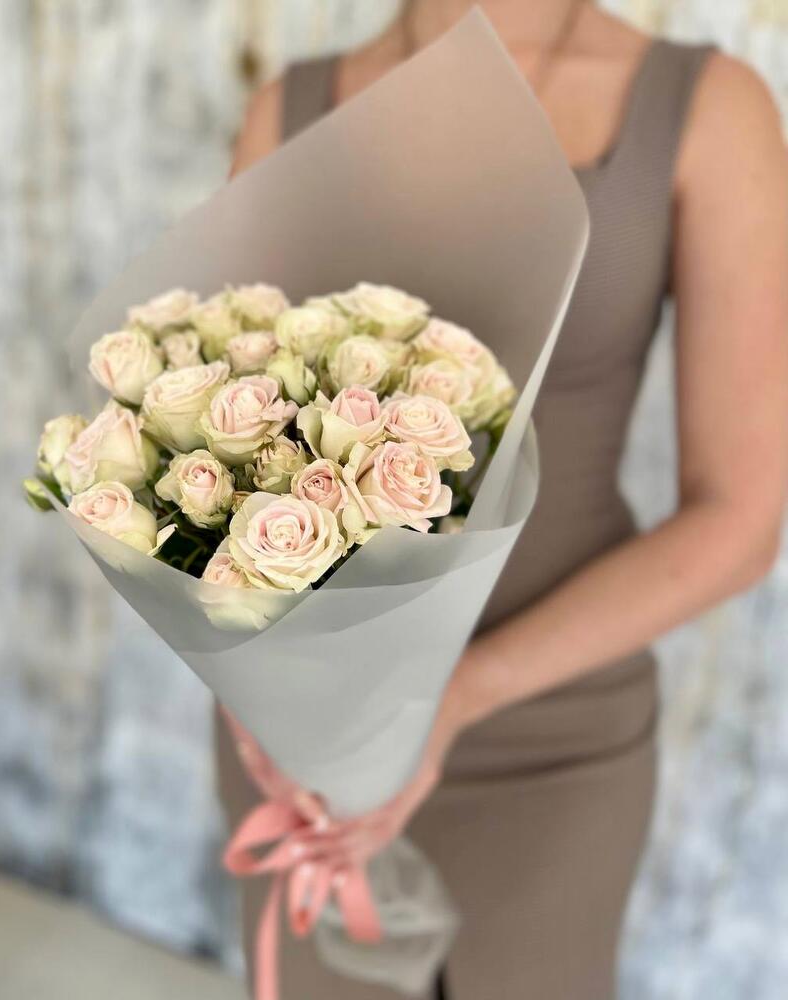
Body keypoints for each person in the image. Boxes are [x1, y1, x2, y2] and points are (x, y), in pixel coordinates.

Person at [216, 1, 788, 997]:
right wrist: (272, 678)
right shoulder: (289, 111)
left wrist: (456, 698)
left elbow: (738, 518)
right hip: (318, 734)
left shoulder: (703, 107)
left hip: (556, 735)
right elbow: (232, 458)